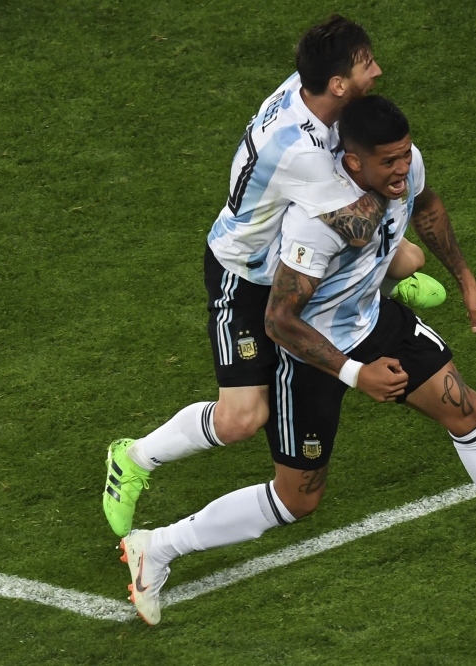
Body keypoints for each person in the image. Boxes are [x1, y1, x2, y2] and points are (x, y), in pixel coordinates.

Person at [118, 96, 476, 625]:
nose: (403, 168)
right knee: (298, 500)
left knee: (467, 410)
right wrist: (357, 375)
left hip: (373, 320)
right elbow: (280, 320)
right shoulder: (321, 221)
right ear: (354, 163)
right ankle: (159, 546)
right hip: (312, 353)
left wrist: (467, 282)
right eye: (389, 162)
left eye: (405, 155)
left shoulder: (403, 165)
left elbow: (427, 207)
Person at [102, 15, 444, 539]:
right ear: (337, 85)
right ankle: (133, 458)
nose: (377, 71)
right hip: (247, 273)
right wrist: (404, 172)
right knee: (242, 418)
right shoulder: (302, 153)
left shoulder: (309, 94)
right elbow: (357, 227)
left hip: (290, 248)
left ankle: (390, 278)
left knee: (403, 259)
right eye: (365, 65)